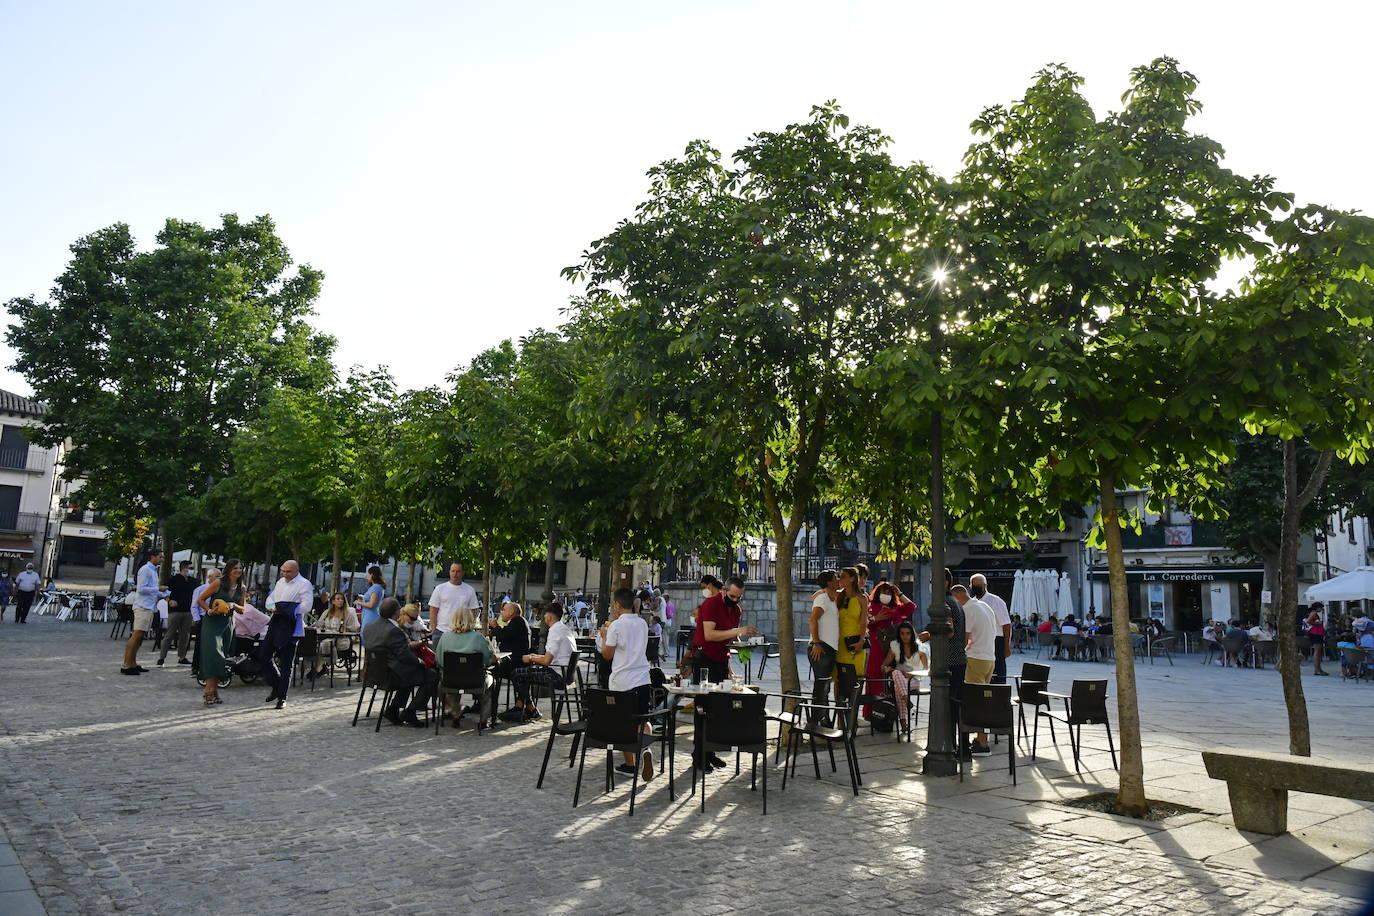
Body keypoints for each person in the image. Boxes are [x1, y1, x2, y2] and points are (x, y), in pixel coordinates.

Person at [602, 587, 654, 780]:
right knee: (643, 719)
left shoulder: (616, 625)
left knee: (623, 723)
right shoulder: (642, 623)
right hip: (642, 678)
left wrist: (604, 636)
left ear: (616, 605)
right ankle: (645, 749)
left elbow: (607, 655)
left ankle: (631, 764)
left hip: (622, 681)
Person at [364, 598, 439, 727]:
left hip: (373, 673)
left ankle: (393, 709)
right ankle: (411, 711)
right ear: (397, 612)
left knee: (410, 672)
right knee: (432, 675)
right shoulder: (394, 630)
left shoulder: (369, 626)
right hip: (390, 675)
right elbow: (404, 656)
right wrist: (420, 661)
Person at [261, 560, 314, 709]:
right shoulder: (280, 583)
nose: (284, 574)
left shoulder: (304, 584)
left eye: (288, 571)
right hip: (276, 622)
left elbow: (307, 605)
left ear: (296, 570)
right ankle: (277, 685)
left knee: (286, 663)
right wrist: (274, 607)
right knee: (264, 656)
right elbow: (270, 599)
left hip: (292, 625)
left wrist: (288, 608)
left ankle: (282, 697)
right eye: (282, 571)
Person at [952, 584, 997, 755]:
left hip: (975, 658)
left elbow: (965, 639)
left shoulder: (967, 610)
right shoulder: (983, 605)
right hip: (988, 658)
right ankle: (980, 738)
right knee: (982, 700)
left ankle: (983, 743)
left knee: (975, 702)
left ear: (957, 596)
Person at [513, 603, 579, 717]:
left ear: (549, 617)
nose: (544, 619)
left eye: (544, 616)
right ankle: (527, 707)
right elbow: (551, 657)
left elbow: (547, 661)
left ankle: (527, 707)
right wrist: (534, 656)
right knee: (525, 673)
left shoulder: (554, 631)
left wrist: (530, 658)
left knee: (517, 673)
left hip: (557, 676)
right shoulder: (565, 629)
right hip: (567, 675)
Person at [434, 607, 494, 726]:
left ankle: (455, 713)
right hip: (476, 681)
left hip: (451, 680)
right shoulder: (478, 637)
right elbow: (487, 661)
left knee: (447, 685)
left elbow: (439, 661)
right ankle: (484, 719)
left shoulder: (445, 637)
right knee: (490, 684)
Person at [862, 581, 915, 716]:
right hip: (877, 648)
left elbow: (911, 606)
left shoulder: (896, 609)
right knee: (875, 677)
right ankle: (872, 712)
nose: (885, 595)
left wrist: (899, 593)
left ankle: (891, 711)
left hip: (893, 650)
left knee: (893, 679)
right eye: (883, 592)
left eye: (888, 592)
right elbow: (864, 624)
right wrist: (877, 618)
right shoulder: (872, 607)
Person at [690, 575, 755, 684]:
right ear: (724, 590)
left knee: (721, 697)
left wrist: (741, 647)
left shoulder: (736, 610)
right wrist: (737, 631)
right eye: (732, 596)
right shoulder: (711, 603)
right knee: (704, 697)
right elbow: (709, 635)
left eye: (739, 597)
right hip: (705, 656)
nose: (735, 600)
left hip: (723, 658)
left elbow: (731, 636)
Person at [199, 563, 243, 705]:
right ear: (229, 570)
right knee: (213, 655)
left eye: (240, 568)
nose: (238, 570)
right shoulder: (218, 583)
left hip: (228, 624)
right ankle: (208, 691)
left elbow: (243, 609)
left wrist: (233, 605)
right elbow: (200, 599)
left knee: (221, 657)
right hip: (212, 622)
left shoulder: (241, 587)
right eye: (235, 568)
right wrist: (209, 610)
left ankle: (215, 690)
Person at [121, 549, 168, 675]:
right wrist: (158, 589)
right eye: (160, 557)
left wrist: (163, 594)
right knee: (136, 635)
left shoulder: (153, 571)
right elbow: (141, 589)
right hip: (143, 606)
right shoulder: (145, 570)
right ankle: (126, 664)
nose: (162, 559)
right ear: (152, 557)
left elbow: (151, 590)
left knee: (140, 636)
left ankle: (133, 662)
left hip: (150, 606)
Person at [883, 619, 928, 735]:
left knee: (897, 686)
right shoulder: (895, 646)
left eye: (908, 633)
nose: (905, 636)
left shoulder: (920, 648)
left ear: (912, 634)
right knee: (896, 674)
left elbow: (926, 669)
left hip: (914, 680)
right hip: (900, 680)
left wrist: (912, 673)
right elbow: (884, 665)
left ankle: (903, 722)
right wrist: (887, 668)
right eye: (902, 633)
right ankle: (906, 700)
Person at [807, 570, 843, 711]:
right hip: (821, 647)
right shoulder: (823, 598)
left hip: (829, 647)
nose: (838, 580)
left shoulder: (829, 597)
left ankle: (823, 718)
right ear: (829, 582)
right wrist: (816, 642)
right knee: (821, 686)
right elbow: (813, 619)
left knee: (824, 686)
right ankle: (817, 719)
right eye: (835, 578)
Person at [491, 600, 535, 718]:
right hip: (516, 660)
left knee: (491, 671)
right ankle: (522, 706)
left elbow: (504, 635)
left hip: (517, 661)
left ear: (511, 612)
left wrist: (495, 626)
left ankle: (489, 706)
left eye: (504, 610)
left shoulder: (517, 621)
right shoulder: (516, 622)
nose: (501, 612)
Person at [833, 567, 869, 708]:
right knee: (838, 680)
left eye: (843, 576)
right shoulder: (838, 596)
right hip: (839, 644)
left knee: (855, 679)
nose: (840, 579)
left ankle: (852, 716)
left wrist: (861, 641)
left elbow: (863, 621)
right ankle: (840, 717)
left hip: (854, 644)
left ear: (852, 578)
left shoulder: (862, 598)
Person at [970, 574, 1012, 684]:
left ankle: (1000, 694)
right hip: (979, 641)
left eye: (978, 585)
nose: (975, 588)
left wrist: (1007, 646)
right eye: (973, 586)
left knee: (998, 670)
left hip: (996, 640)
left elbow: (1006, 624)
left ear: (985, 585)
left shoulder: (995, 601)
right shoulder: (972, 602)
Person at [427, 562, 480, 646]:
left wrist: (468, 627)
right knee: (439, 658)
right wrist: (434, 630)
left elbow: (473, 611)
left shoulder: (469, 590)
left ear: (462, 573)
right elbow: (433, 610)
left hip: (462, 633)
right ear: (449, 572)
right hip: (441, 631)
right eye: (453, 571)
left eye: (458, 571)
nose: (455, 574)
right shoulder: (440, 589)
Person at [310, 592, 359, 680]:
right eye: (338, 599)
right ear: (333, 601)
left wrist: (346, 629)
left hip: (342, 639)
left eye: (342, 599)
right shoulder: (327, 612)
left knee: (325, 644)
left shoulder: (348, 613)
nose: (340, 601)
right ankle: (320, 666)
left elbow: (355, 627)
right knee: (314, 644)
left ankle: (320, 667)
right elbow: (319, 624)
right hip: (327, 637)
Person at [158, 561, 197, 666]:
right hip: (175, 611)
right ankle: (162, 657)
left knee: (185, 635)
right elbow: (164, 592)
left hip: (188, 610)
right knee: (169, 634)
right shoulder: (173, 580)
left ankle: (182, 656)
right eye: (190, 568)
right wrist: (169, 600)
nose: (192, 570)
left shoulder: (193, 581)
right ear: (184, 568)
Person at [354, 566, 386, 642]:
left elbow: (371, 604)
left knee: (367, 639)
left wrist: (359, 602)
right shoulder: (378, 587)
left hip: (371, 616)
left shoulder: (375, 587)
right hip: (370, 614)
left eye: (368, 574)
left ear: (372, 575)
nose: (367, 576)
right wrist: (363, 597)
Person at [1303, 609, 1328, 676]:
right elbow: (1308, 621)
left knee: (1318, 651)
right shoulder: (1313, 613)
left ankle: (1317, 669)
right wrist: (1317, 623)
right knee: (1317, 651)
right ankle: (1317, 669)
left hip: (1316, 633)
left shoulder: (1313, 613)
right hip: (1316, 633)